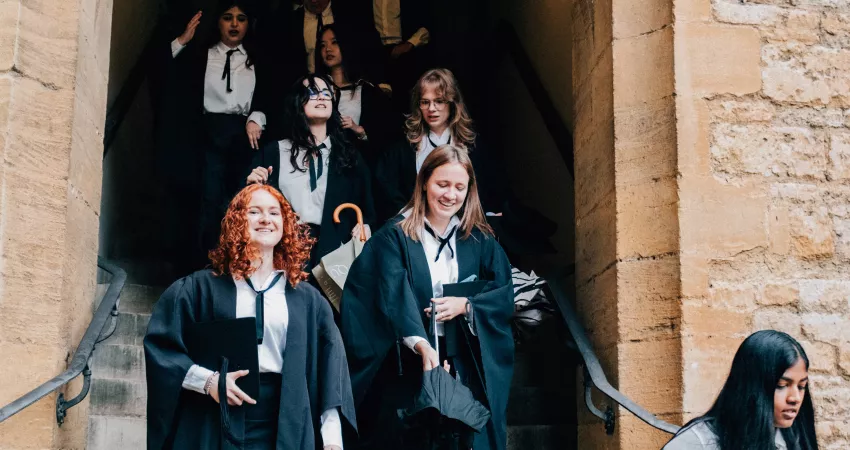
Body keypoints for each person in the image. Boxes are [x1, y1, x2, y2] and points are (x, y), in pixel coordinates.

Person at [144, 183, 356, 449]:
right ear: (236, 221)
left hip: (286, 419)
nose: (266, 219)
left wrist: (332, 439)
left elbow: (330, 371)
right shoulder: (199, 289)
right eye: (254, 211)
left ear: (285, 224)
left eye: (274, 213)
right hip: (216, 418)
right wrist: (208, 381)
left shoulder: (309, 301)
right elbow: (162, 349)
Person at [340, 145, 515, 450]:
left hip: (464, 360)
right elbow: (389, 291)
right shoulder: (395, 236)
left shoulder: (480, 240)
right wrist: (421, 345)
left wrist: (467, 305)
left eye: (460, 187)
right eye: (442, 184)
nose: (450, 195)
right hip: (408, 362)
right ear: (423, 182)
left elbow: (503, 293)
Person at [158, 3, 276, 271]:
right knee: (206, 200)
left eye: (241, 18)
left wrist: (257, 116)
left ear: (249, 24)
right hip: (206, 133)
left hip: (244, 137)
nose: (234, 24)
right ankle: (203, 264)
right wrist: (182, 41)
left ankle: (236, 263)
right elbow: (166, 74)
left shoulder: (257, 58)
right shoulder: (202, 55)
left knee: (239, 199)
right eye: (227, 18)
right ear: (218, 23)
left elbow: (272, 92)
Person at [246, 74, 375, 271]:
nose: (322, 97)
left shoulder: (349, 155)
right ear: (298, 102)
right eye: (313, 93)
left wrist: (364, 225)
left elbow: (368, 209)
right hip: (284, 253)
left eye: (326, 93)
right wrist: (250, 188)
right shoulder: (274, 153)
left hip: (333, 259)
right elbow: (246, 208)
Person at [374, 68, 509, 226]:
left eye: (439, 101)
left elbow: (490, 191)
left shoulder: (473, 147)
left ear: (452, 103)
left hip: (465, 229)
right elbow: (387, 191)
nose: (432, 109)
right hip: (414, 229)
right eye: (425, 102)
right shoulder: (401, 150)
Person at [663, 330, 819, 450]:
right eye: (781, 385)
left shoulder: (793, 439)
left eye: (801, 386)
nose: (795, 398)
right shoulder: (699, 441)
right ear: (752, 387)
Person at [317, 24, 398, 170]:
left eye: (334, 42)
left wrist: (360, 131)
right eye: (323, 45)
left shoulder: (366, 89)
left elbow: (386, 135)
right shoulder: (313, 87)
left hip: (354, 166)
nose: (328, 49)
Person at [371, 0, 435, 113]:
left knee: (410, 104)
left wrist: (410, 44)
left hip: (407, 51)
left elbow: (429, 23)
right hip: (376, 53)